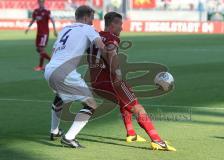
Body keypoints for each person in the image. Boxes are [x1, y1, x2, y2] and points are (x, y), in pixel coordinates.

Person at [87, 12, 176, 151]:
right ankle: (157, 141)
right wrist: (117, 73)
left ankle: (131, 134)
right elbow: (111, 53)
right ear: (112, 24)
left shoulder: (96, 37)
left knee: (127, 98)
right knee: (137, 107)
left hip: (96, 83)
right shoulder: (112, 38)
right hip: (111, 81)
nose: (121, 28)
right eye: (120, 24)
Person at [44, 5, 105, 148]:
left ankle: (54, 131)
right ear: (85, 17)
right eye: (91, 18)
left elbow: (54, 51)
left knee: (60, 97)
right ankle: (69, 137)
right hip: (64, 72)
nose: (92, 22)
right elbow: (101, 46)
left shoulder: (65, 29)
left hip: (50, 69)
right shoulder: (88, 29)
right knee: (91, 105)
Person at [25, 0, 58, 71]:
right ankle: (49, 63)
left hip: (44, 33)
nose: (41, 3)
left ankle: (42, 66)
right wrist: (28, 27)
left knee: (41, 49)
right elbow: (33, 20)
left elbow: (52, 20)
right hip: (38, 33)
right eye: (39, 2)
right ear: (38, 3)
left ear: (44, 3)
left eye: (42, 2)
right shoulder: (36, 11)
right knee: (38, 49)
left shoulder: (47, 11)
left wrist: (55, 30)